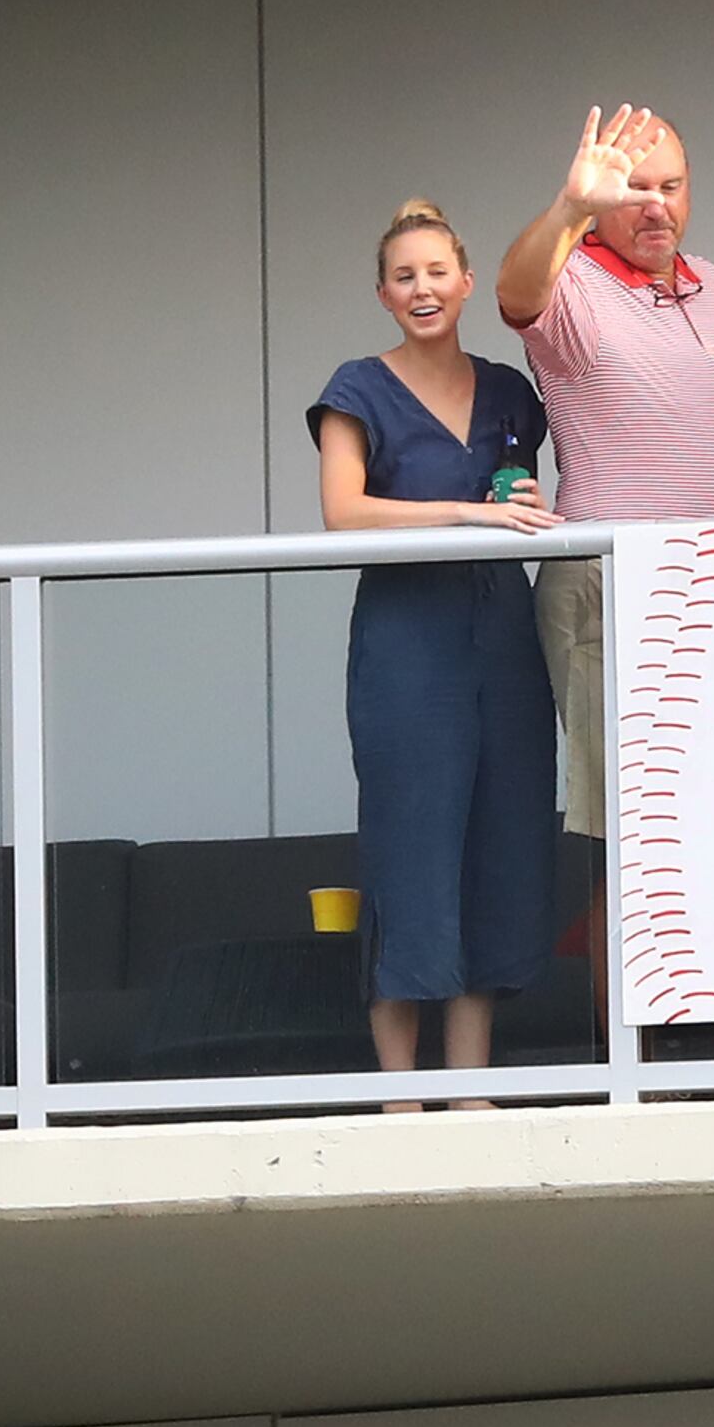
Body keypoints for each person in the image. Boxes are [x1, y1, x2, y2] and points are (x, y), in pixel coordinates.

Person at [495, 107, 714, 859]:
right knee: (637, 847)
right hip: (622, 591)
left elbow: (698, 406)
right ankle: (621, 986)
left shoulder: (706, 279)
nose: (656, 204)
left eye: (671, 185)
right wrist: (570, 206)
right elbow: (514, 295)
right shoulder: (572, 277)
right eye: (632, 188)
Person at [309, 201, 563, 1097]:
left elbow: (523, 488)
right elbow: (342, 511)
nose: (423, 289)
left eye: (436, 273)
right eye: (404, 276)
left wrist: (513, 499)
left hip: (502, 634)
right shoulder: (357, 387)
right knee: (409, 847)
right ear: (384, 293)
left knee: (500, 841)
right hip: (407, 641)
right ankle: (399, 1090)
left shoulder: (508, 393)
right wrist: (469, 511)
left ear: (465, 281)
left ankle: (469, 1085)